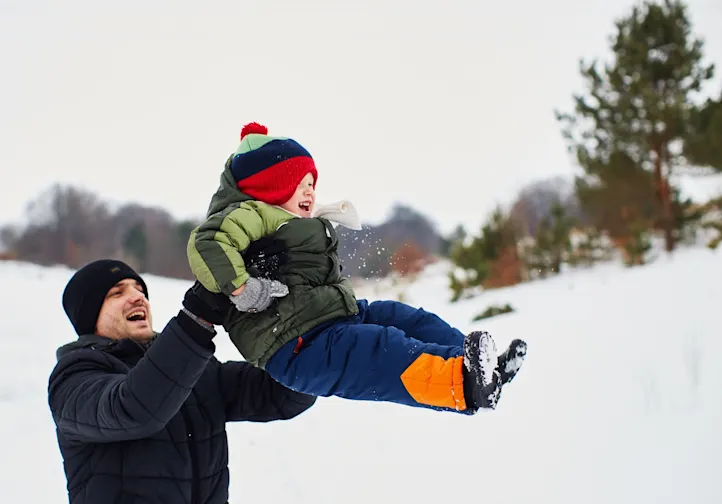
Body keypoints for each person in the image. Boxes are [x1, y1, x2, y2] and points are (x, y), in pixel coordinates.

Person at [187, 122, 527, 416]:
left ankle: (476, 366)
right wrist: (243, 288)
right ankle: (460, 381)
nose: (310, 190)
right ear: (268, 188)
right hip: (294, 345)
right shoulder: (250, 214)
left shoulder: (287, 218)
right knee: (381, 350)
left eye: (312, 183)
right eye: (298, 183)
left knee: (405, 318)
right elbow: (208, 243)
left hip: (330, 319)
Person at [48, 259, 316, 504]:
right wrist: (196, 320)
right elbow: (134, 408)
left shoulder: (193, 367)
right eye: (117, 293)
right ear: (89, 314)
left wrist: (307, 333)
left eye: (140, 290)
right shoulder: (73, 377)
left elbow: (278, 396)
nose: (138, 298)